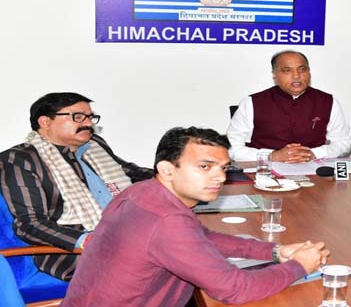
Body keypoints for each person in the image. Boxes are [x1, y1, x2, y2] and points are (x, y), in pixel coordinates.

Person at [63, 127, 330, 306]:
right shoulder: (167, 221)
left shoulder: (141, 192)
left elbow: (202, 237)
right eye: (205, 167)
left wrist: (274, 251)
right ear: (167, 170)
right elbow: (235, 289)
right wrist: (299, 266)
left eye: (223, 168)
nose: (220, 177)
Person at [0, 92, 153, 280]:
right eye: (78, 117)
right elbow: (30, 224)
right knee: (156, 263)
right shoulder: (21, 159)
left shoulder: (95, 145)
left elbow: (131, 172)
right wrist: (87, 240)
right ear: (45, 122)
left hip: (129, 230)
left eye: (90, 117)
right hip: (72, 248)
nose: (88, 123)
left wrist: (173, 177)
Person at [227, 50, 351, 162]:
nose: (297, 76)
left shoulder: (327, 101)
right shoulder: (252, 102)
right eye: (287, 70)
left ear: (309, 72)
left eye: (302, 69)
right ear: (275, 74)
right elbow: (231, 147)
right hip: (264, 171)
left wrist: (314, 154)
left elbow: (344, 142)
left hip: (313, 171)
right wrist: (271, 156)